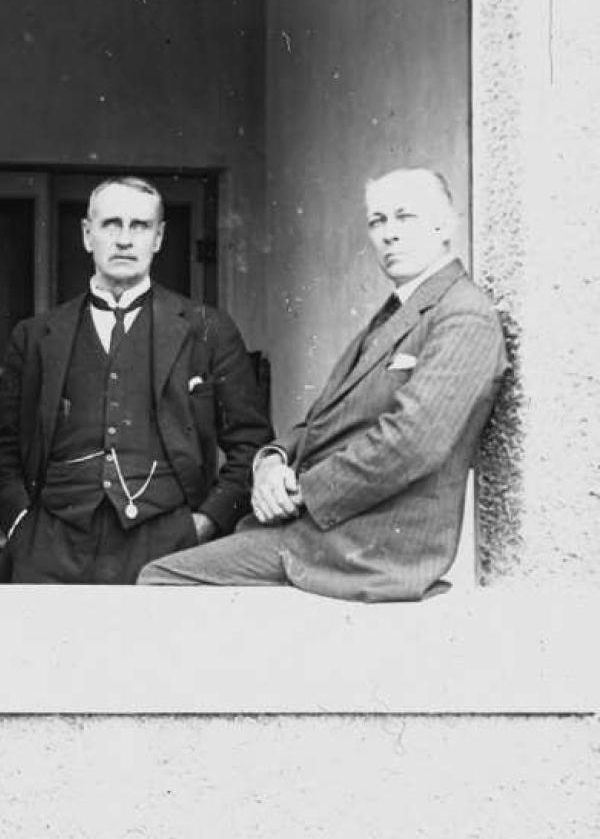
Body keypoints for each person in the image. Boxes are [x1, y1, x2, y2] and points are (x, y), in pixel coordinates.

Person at [139, 167, 508, 601]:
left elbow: (411, 444)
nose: (389, 234)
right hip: (328, 531)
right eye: (378, 221)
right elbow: (323, 421)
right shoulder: (400, 310)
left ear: (445, 225)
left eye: (405, 217)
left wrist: (299, 492)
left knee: (161, 580)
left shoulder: (463, 314)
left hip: (370, 549)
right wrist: (272, 462)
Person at [0, 176, 272, 583]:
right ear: (88, 235)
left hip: (168, 546)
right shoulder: (35, 336)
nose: (124, 239)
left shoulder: (208, 329)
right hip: (51, 548)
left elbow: (251, 442)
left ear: (158, 238)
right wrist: (20, 523)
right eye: (110, 225)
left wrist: (205, 522)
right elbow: (4, 450)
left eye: (139, 226)